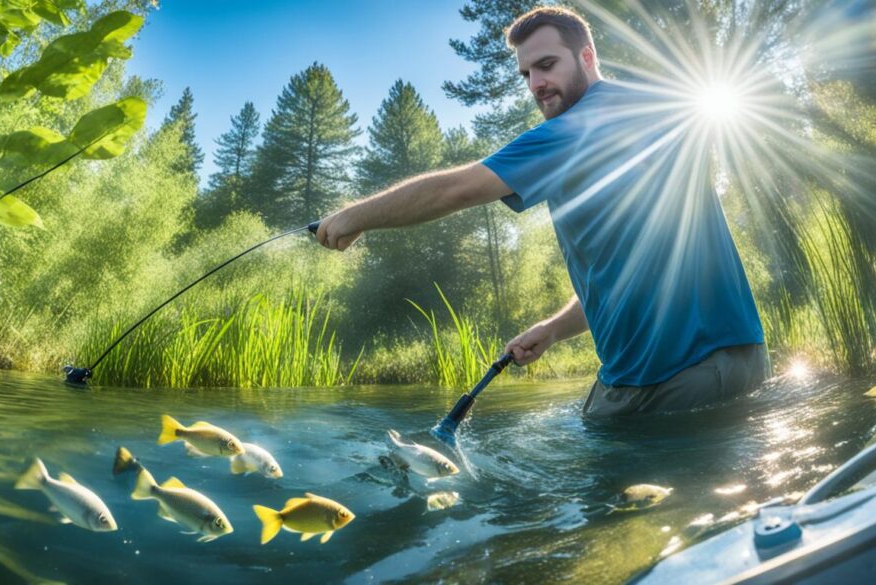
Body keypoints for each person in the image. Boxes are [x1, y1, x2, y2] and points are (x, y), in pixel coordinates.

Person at [314, 6, 770, 417]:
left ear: (587, 57)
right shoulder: (644, 109)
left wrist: (355, 216)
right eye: (526, 73)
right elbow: (630, 272)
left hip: (686, 374)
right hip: (686, 368)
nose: (536, 84)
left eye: (547, 65)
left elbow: (458, 189)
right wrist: (554, 329)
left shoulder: (581, 126)